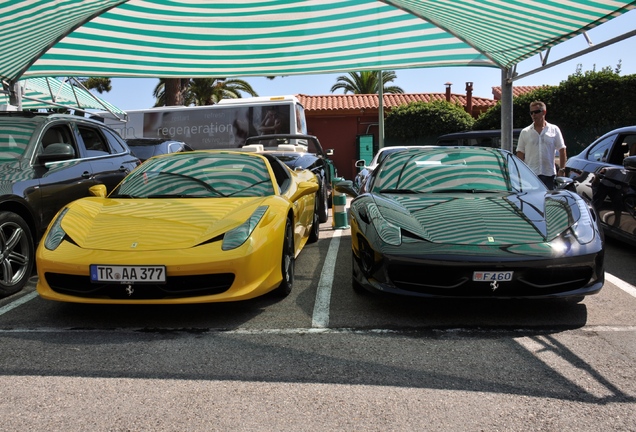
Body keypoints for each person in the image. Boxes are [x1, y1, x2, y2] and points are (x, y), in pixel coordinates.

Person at [516, 101, 567, 189]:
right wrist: (521, 173)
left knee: (549, 201)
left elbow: (562, 150)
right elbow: (520, 154)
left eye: (536, 112)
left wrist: (562, 169)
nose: (533, 115)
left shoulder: (554, 129)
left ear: (544, 112)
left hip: (549, 174)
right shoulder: (525, 132)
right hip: (531, 175)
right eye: (531, 113)